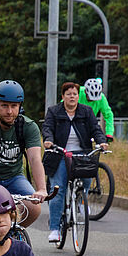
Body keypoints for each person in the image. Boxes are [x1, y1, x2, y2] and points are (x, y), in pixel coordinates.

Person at [0, 80, 47, 227]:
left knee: (34, 208)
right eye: (4, 106)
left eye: (14, 106)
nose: (9, 111)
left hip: (14, 178)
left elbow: (35, 159)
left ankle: (13, 235)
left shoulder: (28, 126)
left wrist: (41, 189)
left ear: (20, 106)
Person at [42, 81, 108, 243]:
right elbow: (48, 128)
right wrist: (48, 140)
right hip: (60, 154)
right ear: (62, 96)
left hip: (82, 154)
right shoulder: (54, 111)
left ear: (79, 96)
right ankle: (55, 229)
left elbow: (95, 129)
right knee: (59, 189)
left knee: (86, 180)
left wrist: (101, 142)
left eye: (75, 94)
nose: (72, 97)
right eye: (69, 94)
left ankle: (80, 199)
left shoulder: (86, 111)